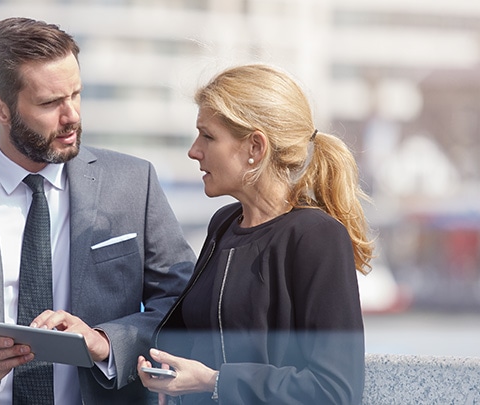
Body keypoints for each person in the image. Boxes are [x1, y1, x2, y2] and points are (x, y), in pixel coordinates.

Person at [0, 17, 195, 405]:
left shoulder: (134, 183)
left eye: (76, 94)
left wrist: (105, 343)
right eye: (50, 103)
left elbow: (184, 305)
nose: (72, 117)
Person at [137, 63, 374, 404]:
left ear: (255, 148)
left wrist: (213, 381)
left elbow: (335, 390)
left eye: (208, 136)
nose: (194, 150)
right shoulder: (223, 224)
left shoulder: (317, 236)